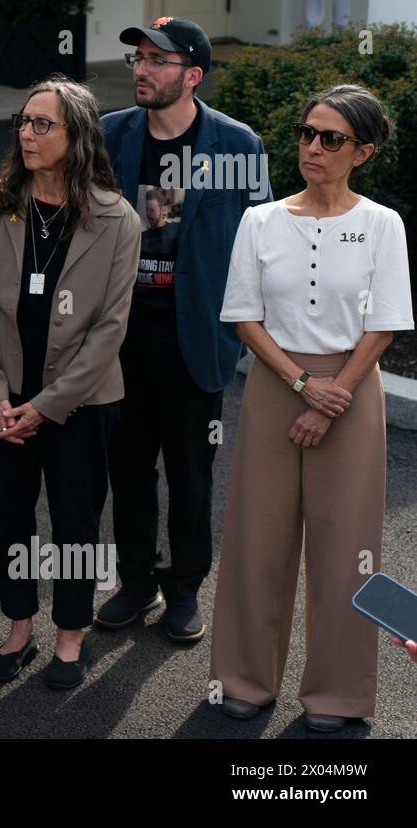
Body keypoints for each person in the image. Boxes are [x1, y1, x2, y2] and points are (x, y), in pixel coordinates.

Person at [210, 84, 412, 733]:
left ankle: (339, 695)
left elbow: (383, 326)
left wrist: (332, 399)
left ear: (364, 151)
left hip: (352, 390)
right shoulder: (260, 221)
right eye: (306, 133)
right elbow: (243, 315)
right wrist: (303, 387)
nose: (312, 147)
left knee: (346, 548)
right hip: (278, 383)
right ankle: (242, 680)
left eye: (331, 138)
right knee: (255, 541)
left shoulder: (383, 224)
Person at [97, 17, 269, 643]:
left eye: (157, 60)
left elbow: (259, 242)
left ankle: (186, 585)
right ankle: (137, 579)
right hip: (120, 338)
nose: (141, 69)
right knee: (129, 467)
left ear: (192, 75)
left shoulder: (236, 144)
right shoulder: (110, 135)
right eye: (137, 58)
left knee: (192, 475)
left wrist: (243, 332)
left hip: (194, 336)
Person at [0, 77, 139, 690]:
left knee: (75, 521)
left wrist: (45, 407)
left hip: (83, 405)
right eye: (24, 121)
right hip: (4, 402)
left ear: (79, 136)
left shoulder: (118, 220)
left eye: (45, 125)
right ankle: (19, 628)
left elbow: (110, 329)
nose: (28, 134)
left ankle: (71, 634)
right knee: (11, 515)